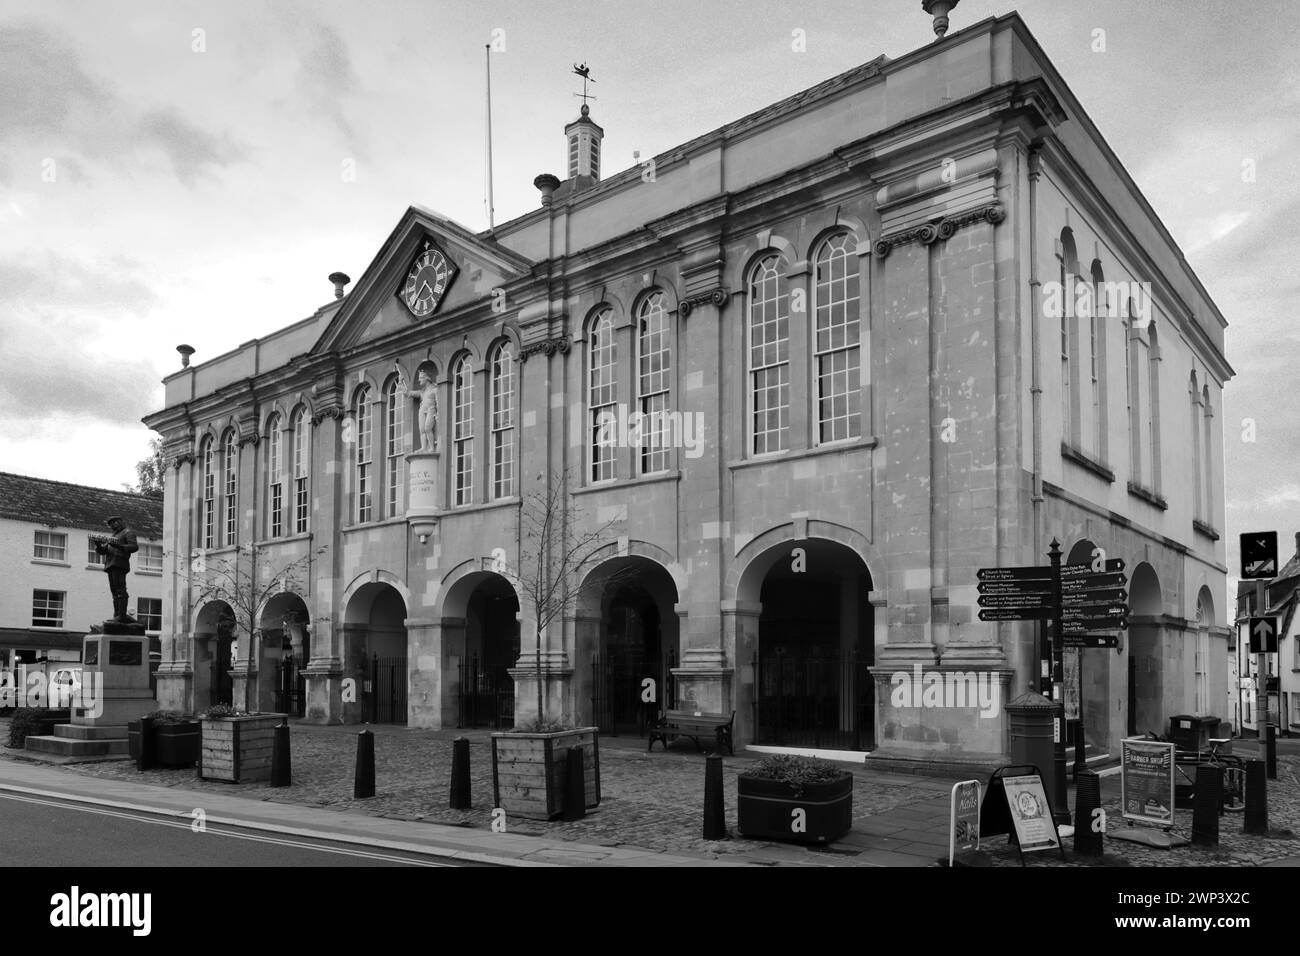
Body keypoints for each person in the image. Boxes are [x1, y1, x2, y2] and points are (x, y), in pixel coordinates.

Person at [94, 516, 138, 623]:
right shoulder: (113, 535)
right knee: (114, 591)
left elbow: (134, 547)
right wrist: (98, 544)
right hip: (111, 565)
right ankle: (117, 615)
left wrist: (118, 545)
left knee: (120, 590)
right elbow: (104, 550)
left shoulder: (128, 532)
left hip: (120, 563)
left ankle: (121, 615)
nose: (112, 525)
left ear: (120, 522)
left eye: (114, 523)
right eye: (110, 524)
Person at [416, 368, 438, 452]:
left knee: (427, 428)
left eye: (421, 378)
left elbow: (438, 401)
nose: (419, 380)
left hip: (431, 409)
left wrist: (438, 413)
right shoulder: (422, 391)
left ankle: (432, 447)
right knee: (422, 429)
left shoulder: (434, 388)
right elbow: (409, 393)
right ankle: (424, 447)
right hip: (422, 410)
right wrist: (401, 381)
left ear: (427, 378)